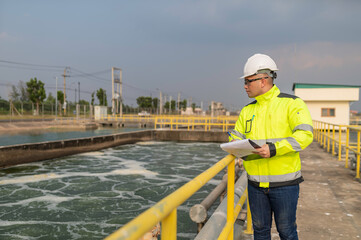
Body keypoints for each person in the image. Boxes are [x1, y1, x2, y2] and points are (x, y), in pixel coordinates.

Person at [229, 53, 313, 240]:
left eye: (248, 81)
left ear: (264, 80)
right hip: (256, 184)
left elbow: (305, 135)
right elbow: (237, 135)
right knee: (260, 232)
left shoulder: (292, 104)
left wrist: (274, 148)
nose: (245, 86)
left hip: (284, 185)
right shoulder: (247, 110)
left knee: (286, 231)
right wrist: (233, 144)